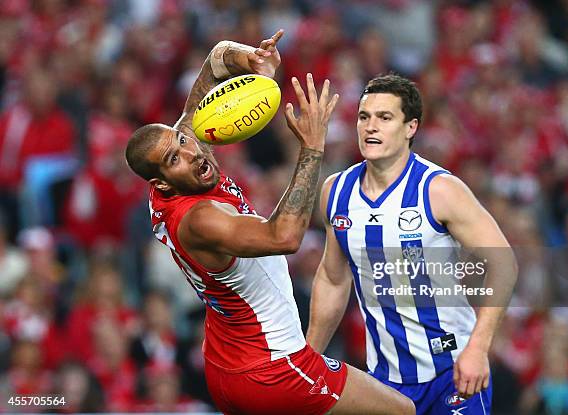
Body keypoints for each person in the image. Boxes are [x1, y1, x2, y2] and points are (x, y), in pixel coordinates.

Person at [125, 32, 415, 415]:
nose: (191, 150)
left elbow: (216, 58)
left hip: (227, 363)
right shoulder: (199, 219)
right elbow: (286, 236)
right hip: (272, 368)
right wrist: (312, 146)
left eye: (182, 139)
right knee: (402, 411)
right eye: (174, 157)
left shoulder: (179, 171)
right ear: (161, 182)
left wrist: (251, 61)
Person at [306, 73, 518, 415]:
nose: (370, 127)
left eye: (384, 117)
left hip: (452, 373)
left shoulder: (439, 190)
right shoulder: (336, 191)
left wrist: (478, 348)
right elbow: (333, 278)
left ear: (411, 127)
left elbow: (504, 263)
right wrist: (309, 358)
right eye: (364, 117)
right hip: (384, 384)